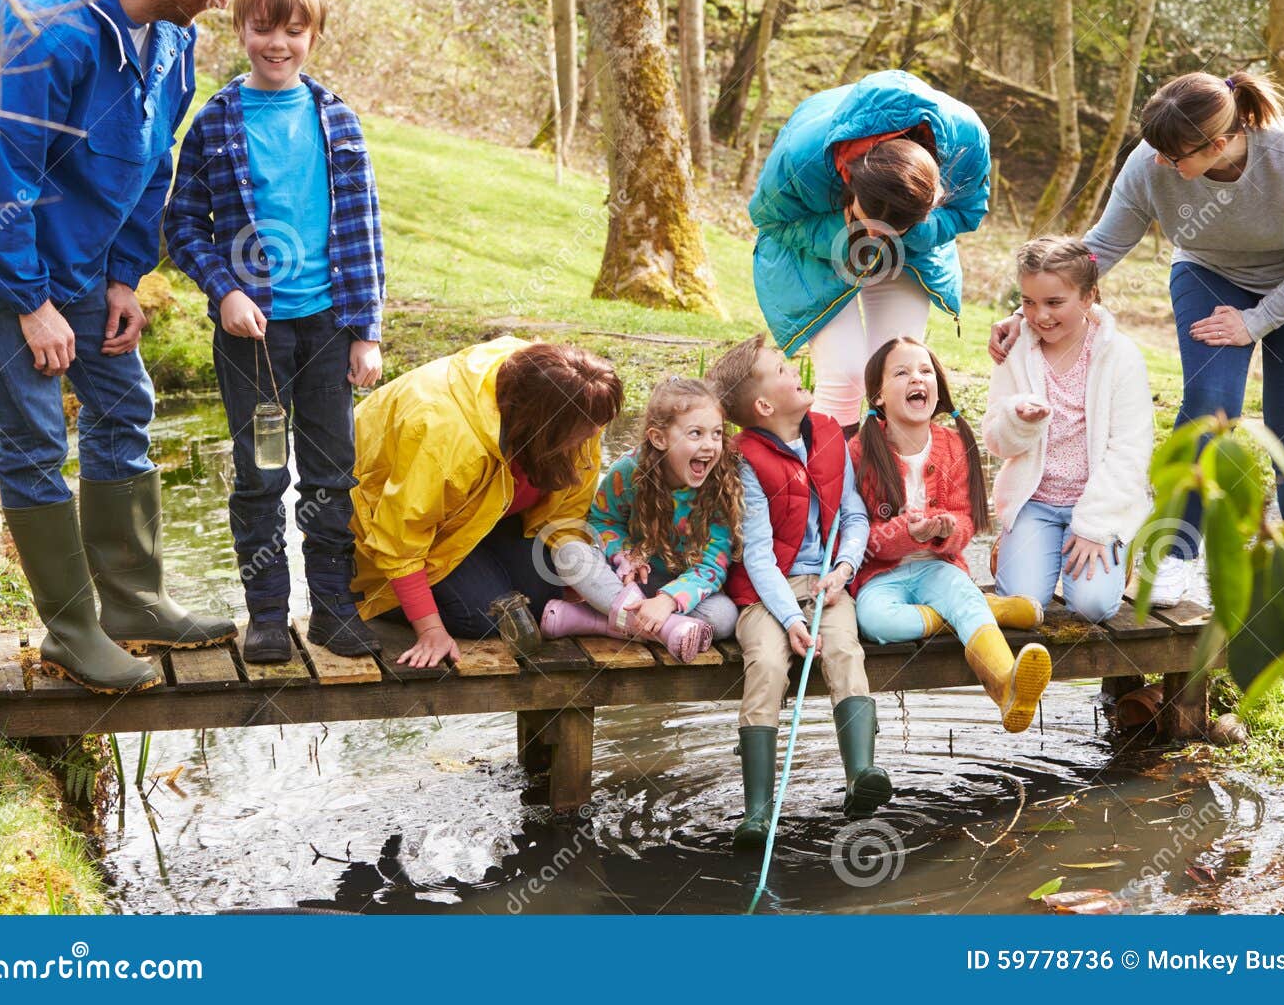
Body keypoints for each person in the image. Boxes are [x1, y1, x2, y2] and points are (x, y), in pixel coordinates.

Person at [0, 0, 276, 693]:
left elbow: (150, 166)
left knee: (125, 405)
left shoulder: (169, 40)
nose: (219, 4)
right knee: (39, 436)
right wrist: (30, 302)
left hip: (79, 254)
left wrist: (124, 276)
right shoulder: (44, 25)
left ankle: (133, 599)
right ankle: (72, 630)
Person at [989, 70, 1284, 606]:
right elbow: (1098, 249)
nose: (1161, 163)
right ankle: (1177, 556)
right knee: (1210, 407)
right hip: (1210, 274)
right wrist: (1030, 312)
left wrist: (1255, 321)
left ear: (1220, 145)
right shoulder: (1150, 160)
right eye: (1156, 151)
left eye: (1175, 156)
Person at [165, 0, 386, 664]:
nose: (278, 44)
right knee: (261, 472)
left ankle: (331, 608)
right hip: (251, 333)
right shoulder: (218, 122)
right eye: (264, 29)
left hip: (327, 326)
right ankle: (266, 614)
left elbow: (365, 229)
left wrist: (367, 330)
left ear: (315, 35)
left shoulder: (337, 120)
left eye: (295, 31)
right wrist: (223, 289)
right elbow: (183, 223)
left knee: (331, 473)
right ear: (240, 28)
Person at [706, 333, 886, 849]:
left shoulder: (830, 433)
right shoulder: (743, 460)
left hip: (827, 583)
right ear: (764, 405)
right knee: (765, 664)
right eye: (783, 370)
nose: (795, 371)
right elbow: (758, 557)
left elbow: (853, 513)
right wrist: (790, 619)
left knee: (845, 651)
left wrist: (845, 567)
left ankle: (861, 776)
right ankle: (758, 812)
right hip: (767, 594)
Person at [350, 337, 623, 669]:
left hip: (478, 516)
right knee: (485, 620)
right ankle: (385, 599)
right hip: (376, 530)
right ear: (544, 426)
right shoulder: (450, 440)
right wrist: (431, 630)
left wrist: (580, 580)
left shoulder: (579, 413)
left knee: (541, 599)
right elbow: (398, 539)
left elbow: (566, 516)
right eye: (586, 431)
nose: (594, 437)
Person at [749, 70, 991, 432]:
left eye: (897, 226)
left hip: (913, 253)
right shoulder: (801, 158)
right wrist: (844, 230)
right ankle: (829, 484)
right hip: (816, 247)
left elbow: (969, 210)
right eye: (870, 222)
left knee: (897, 374)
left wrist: (913, 234)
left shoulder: (966, 141)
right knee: (845, 374)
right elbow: (770, 220)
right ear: (848, 182)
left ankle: (887, 482)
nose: (878, 237)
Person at [850, 337, 1050, 732]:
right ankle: (989, 607)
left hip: (938, 568)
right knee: (875, 621)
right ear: (878, 395)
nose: (917, 378)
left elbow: (967, 522)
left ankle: (1008, 687)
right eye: (902, 372)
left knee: (959, 593)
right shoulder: (861, 451)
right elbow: (861, 535)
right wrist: (907, 532)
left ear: (936, 386)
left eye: (925, 371)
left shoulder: (953, 445)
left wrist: (944, 530)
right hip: (881, 575)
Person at [983, 239, 1153, 624]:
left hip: (1095, 503)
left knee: (1091, 607)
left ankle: (1116, 548)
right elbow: (995, 440)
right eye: (1028, 302)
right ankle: (1014, 548)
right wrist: (1018, 420)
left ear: (1089, 296)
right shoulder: (1015, 350)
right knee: (1025, 605)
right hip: (1036, 502)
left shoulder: (1120, 357)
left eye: (1054, 303)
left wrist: (1095, 526)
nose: (1040, 316)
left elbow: (1131, 451)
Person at [539, 377, 741, 663]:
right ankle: (666, 631)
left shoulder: (719, 487)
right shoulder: (629, 471)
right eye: (695, 433)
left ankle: (591, 621)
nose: (710, 445)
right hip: (628, 583)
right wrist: (625, 555)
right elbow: (601, 521)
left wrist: (667, 600)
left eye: (717, 433)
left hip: (677, 591)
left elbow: (713, 564)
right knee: (569, 553)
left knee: (723, 618)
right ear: (658, 438)